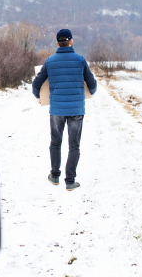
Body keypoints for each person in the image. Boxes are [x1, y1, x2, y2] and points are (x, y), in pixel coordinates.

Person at [32, 29, 97, 191]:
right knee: (74, 145)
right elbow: (92, 85)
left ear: (57, 43)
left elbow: (36, 84)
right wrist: (90, 93)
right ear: (71, 42)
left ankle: (54, 175)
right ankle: (70, 180)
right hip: (76, 109)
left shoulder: (50, 61)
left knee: (55, 142)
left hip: (56, 110)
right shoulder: (80, 60)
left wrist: (38, 96)